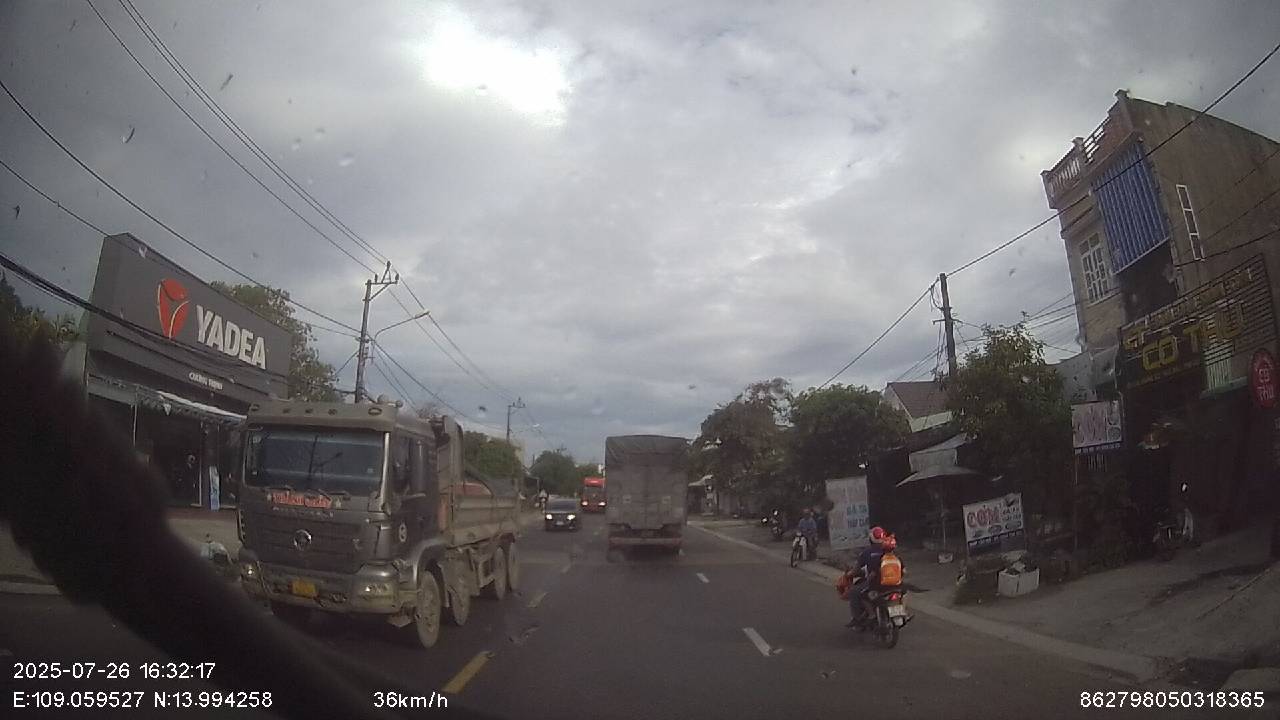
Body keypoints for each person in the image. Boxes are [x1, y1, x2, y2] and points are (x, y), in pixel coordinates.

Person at [844, 526, 888, 627]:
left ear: (870, 539)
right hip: (891, 582)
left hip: (874, 582)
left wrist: (848, 574)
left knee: (854, 592)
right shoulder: (888, 550)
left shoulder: (866, 552)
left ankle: (858, 618)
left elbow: (856, 570)